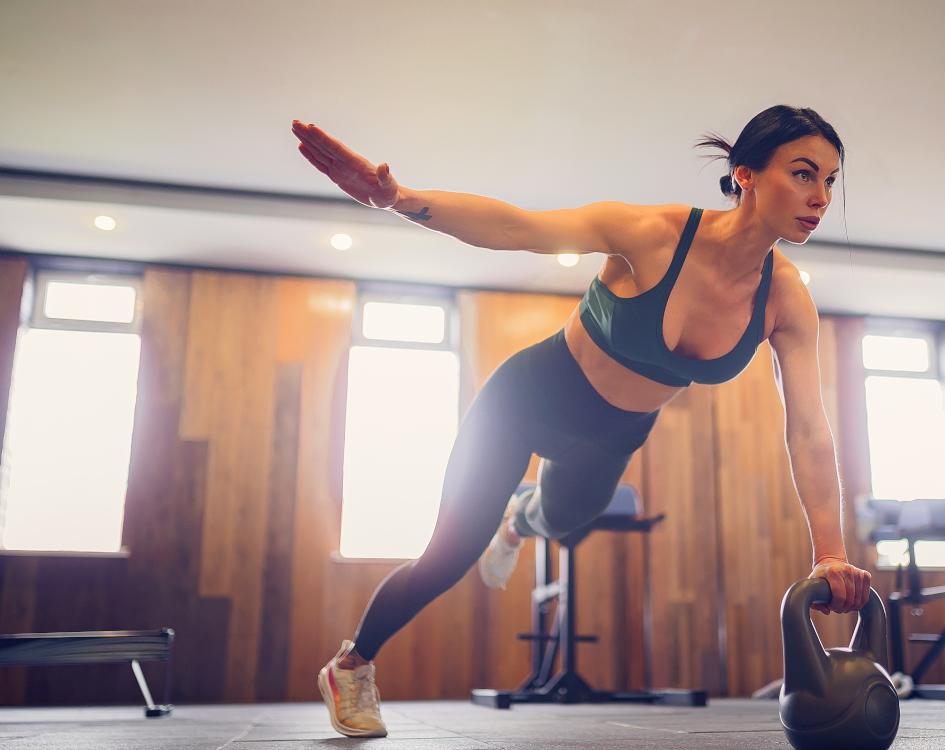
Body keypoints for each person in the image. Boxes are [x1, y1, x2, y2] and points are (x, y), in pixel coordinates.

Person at [293, 105, 871, 738]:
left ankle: (518, 520)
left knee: (567, 520)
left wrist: (831, 554)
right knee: (446, 559)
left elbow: (809, 427)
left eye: (832, 181)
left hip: (614, 436)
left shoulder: (786, 299)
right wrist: (398, 198)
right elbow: (517, 226)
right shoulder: (650, 233)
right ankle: (352, 664)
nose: (821, 197)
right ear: (747, 175)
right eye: (805, 173)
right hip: (524, 401)